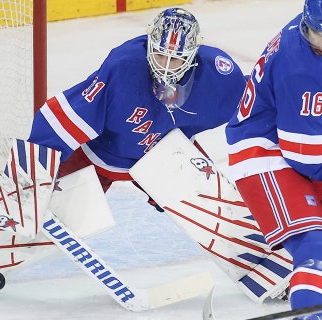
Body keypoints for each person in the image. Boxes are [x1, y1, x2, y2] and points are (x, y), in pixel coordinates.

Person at [27, 8, 246, 212]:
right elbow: (65, 117)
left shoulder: (218, 76)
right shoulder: (124, 66)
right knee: (48, 211)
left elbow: (256, 99)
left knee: (211, 207)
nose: (165, 66)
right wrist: (35, 165)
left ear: (192, 56)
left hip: (163, 155)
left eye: (176, 59)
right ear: (149, 46)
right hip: (102, 154)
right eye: (160, 55)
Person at [226, 0, 322, 312]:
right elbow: (304, 157)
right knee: (314, 246)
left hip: (299, 137)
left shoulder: (311, 21)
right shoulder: (301, 67)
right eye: (317, 34)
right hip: (264, 153)